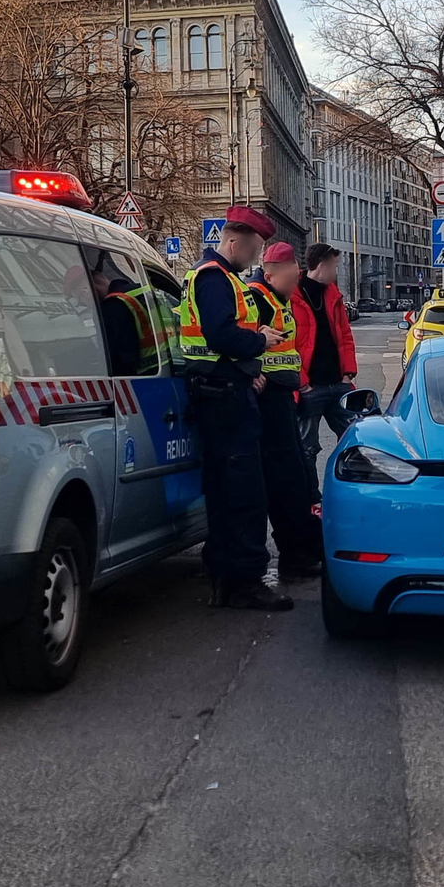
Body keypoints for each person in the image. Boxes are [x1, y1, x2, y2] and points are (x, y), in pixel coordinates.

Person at [177, 205, 293, 611]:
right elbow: (221, 333)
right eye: (254, 248)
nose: (256, 257)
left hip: (221, 388)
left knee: (228, 489)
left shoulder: (214, 275)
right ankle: (244, 579)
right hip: (222, 396)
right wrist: (260, 343)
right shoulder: (214, 278)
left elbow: (216, 337)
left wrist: (248, 363)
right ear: (233, 241)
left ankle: (225, 575)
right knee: (243, 489)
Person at [250, 242, 323, 581]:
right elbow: (232, 340)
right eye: (292, 277)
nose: (296, 283)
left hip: (282, 397)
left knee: (294, 477)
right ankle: (294, 555)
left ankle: (301, 550)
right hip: (267, 402)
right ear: (270, 274)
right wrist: (253, 371)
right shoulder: (257, 299)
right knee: (285, 479)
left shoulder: (277, 299)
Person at [292, 242, 361, 458]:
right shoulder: (292, 294)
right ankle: (310, 493)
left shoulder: (333, 294)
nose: (336, 271)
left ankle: (353, 487)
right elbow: (287, 345)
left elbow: (345, 336)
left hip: (338, 383)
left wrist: (348, 374)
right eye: (335, 266)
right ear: (322, 265)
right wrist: (302, 384)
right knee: (306, 449)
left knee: (358, 440)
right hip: (310, 387)